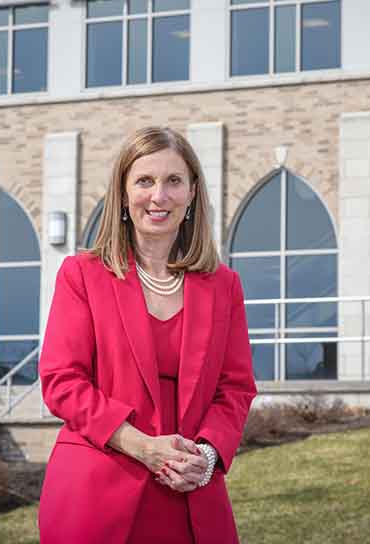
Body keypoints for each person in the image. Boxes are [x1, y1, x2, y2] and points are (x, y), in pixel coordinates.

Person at [38, 126, 257, 543]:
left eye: (174, 181)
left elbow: (236, 388)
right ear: (122, 194)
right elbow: (61, 381)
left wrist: (207, 458)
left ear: (192, 193)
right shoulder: (82, 275)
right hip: (97, 495)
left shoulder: (223, 286)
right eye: (145, 181)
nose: (160, 196)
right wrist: (141, 445)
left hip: (191, 497)